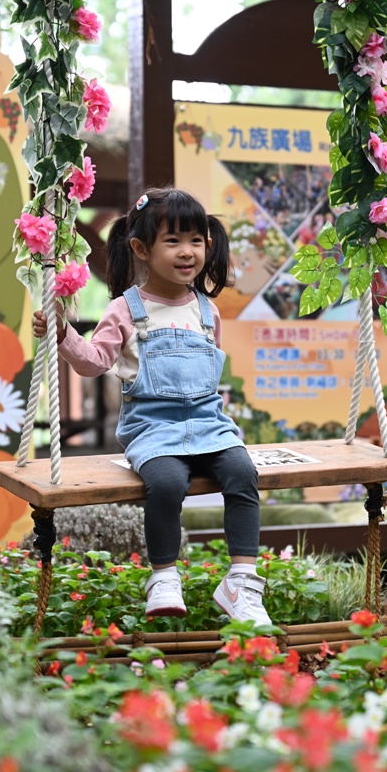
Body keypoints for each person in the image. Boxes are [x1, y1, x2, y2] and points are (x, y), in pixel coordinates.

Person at [33, 187, 271, 625]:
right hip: (152, 429)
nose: (187, 252)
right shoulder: (126, 309)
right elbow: (93, 364)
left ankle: (242, 579)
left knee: (242, 472)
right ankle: (163, 576)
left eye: (196, 240)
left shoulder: (207, 310)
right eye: (173, 240)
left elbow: (209, 375)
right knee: (165, 482)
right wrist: (63, 334)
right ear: (142, 248)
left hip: (208, 423)